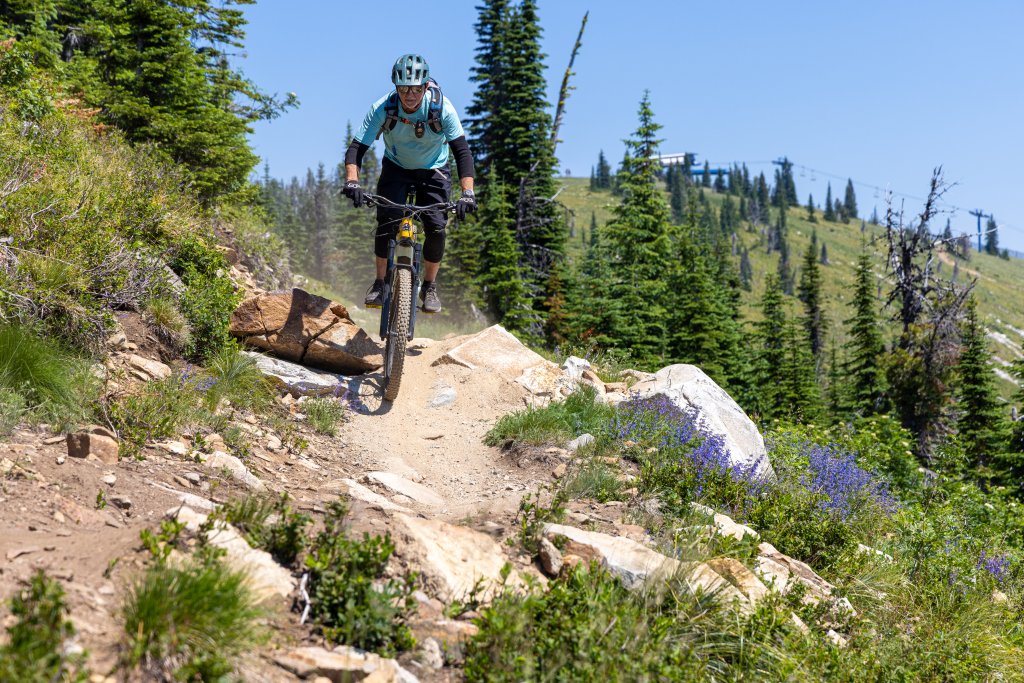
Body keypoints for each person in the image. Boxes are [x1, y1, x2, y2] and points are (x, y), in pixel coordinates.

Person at [342, 53, 476, 313]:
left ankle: (429, 286)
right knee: (387, 221)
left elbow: (462, 152)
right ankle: (380, 283)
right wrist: (352, 182)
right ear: (396, 87)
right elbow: (356, 148)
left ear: (426, 87)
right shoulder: (384, 108)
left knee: (436, 227)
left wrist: (468, 192)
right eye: (404, 88)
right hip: (397, 167)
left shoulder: (442, 108)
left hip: (434, 169)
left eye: (415, 89)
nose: (410, 95)